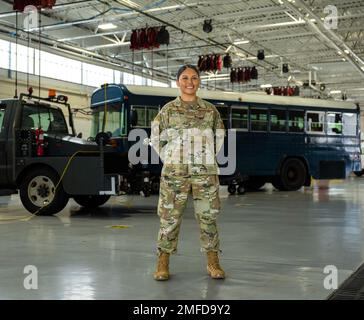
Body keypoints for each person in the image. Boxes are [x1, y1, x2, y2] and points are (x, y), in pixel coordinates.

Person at [150, 64, 226, 281]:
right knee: (169, 218)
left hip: (205, 173)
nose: (190, 82)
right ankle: (162, 263)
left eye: (194, 78)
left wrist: (206, 157)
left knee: (208, 217)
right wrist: (170, 156)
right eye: (185, 78)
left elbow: (219, 137)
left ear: (199, 81)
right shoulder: (167, 110)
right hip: (175, 175)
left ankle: (213, 263)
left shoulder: (211, 111)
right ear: (178, 82)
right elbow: (156, 138)